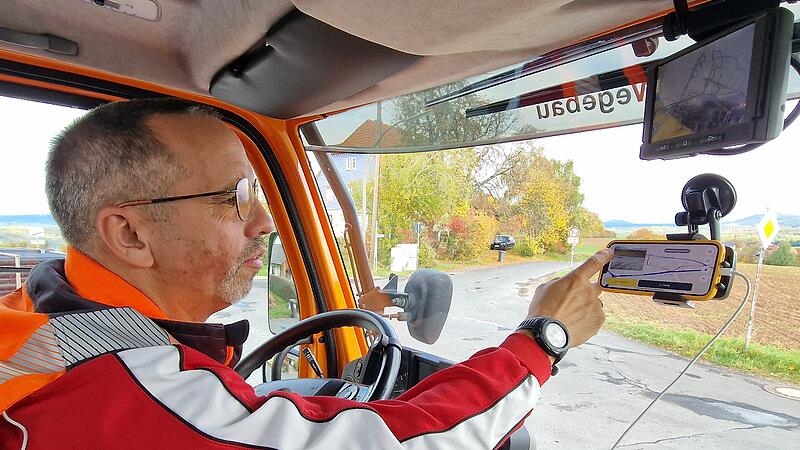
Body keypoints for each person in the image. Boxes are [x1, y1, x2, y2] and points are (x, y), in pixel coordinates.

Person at [0, 98, 611, 449]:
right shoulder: (128, 386)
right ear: (130, 234)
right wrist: (542, 339)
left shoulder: (42, 312)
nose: (263, 221)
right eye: (235, 198)